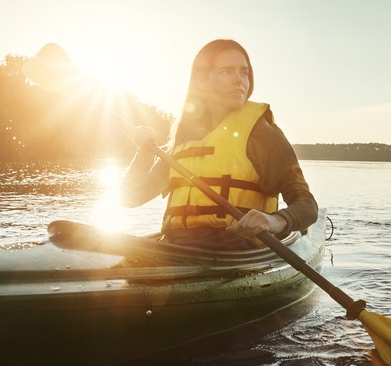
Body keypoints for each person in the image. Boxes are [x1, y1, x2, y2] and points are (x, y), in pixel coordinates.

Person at [120, 39, 318, 251]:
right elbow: (130, 198)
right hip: (177, 248)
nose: (239, 80)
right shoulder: (183, 140)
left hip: (237, 250)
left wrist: (275, 221)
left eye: (244, 72)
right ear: (202, 81)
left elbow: (307, 206)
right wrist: (143, 154)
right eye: (227, 72)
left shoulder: (262, 134)